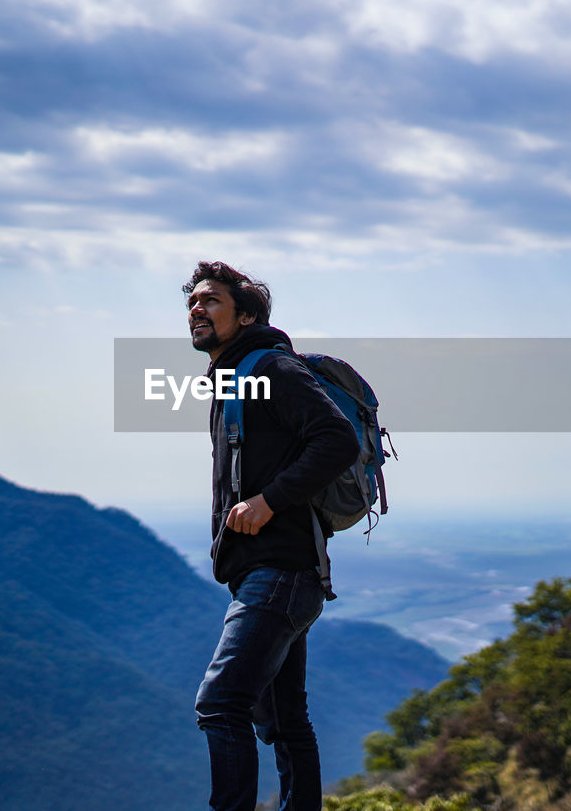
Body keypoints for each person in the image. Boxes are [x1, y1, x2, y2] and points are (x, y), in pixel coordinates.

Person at [185, 261, 359, 811]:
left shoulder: (273, 370)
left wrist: (267, 501)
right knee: (285, 722)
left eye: (212, 300)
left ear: (248, 314)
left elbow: (336, 439)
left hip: (280, 570)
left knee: (221, 703)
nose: (197, 309)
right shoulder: (236, 377)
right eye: (193, 302)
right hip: (279, 573)